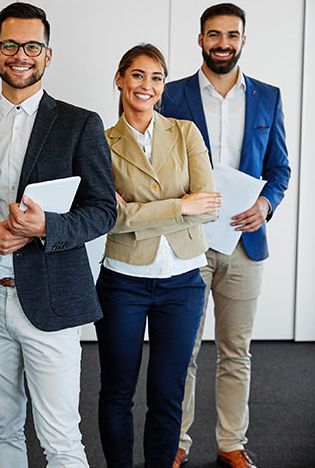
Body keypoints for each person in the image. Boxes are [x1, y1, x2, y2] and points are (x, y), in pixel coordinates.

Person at [0, 1, 116, 468]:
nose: (20, 54)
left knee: (61, 437)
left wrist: (49, 226)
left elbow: (103, 211)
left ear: (47, 55)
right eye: (10, 44)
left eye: (32, 45)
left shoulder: (79, 124)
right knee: (1, 426)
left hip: (54, 302)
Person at [163, 3, 291, 468]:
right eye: (213, 35)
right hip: (187, 242)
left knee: (236, 350)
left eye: (231, 35)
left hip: (245, 243)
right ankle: (175, 443)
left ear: (242, 40)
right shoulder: (170, 96)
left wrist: (266, 204)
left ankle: (231, 443)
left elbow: (279, 167)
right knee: (183, 350)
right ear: (200, 39)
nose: (222, 43)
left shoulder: (268, 97)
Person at [95, 44, 220, 468]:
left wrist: (140, 212)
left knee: (168, 393)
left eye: (156, 78)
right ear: (119, 79)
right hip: (123, 281)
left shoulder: (185, 133)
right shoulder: (101, 141)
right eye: (137, 75)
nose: (146, 86)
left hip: (183, 281)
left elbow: (209, 204)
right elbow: (109, 217)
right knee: (117, 391)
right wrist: (180, 206)